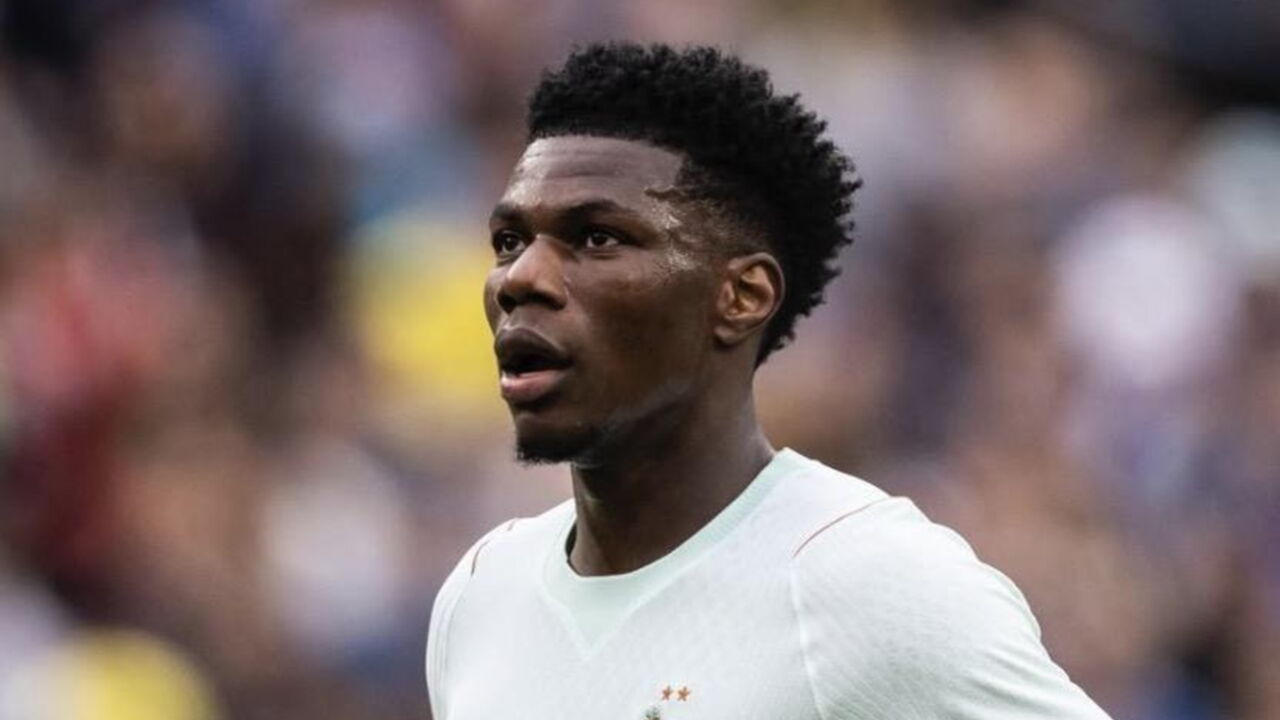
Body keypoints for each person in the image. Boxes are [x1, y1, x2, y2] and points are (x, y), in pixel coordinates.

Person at [426, 43, 1111, 719]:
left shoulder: (868, 582)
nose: (521, 278)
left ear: (742, 297)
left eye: (597, 237)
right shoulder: (482, 595)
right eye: (509, 242)